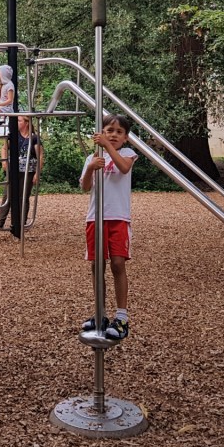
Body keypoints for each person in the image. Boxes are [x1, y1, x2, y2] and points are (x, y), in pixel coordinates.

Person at [79, 114, 138, 341]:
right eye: (109, 130)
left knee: (117, 263)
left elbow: (123, 168)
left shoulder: (127, 154)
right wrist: (91, 167)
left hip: (118, 217)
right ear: (101, 132)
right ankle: (100, 312)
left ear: (125, 138)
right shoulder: (92, 158)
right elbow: (85, 187)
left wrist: (106, 147)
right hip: (95, 217)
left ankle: (121, 317)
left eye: (118, 132)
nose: (113, 135)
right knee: (97, 265)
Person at [0, 115, 43, 229]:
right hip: (13, 170)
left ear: (26, 123)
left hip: (28, 171)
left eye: (19, 121)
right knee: (8, 195)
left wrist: (37, 173)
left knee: (23, 196)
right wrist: (4, 162)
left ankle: (21, 222)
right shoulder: (13, 135)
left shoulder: (34, 138)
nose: (16, 123)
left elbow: (40, 156)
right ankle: (0, 221)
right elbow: (4, 148)